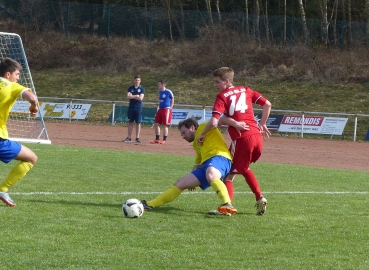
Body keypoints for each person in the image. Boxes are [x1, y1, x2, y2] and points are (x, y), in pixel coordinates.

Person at [197, 67, 272, 215]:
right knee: (243, 168)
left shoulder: (222, 96)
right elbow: (267, 104)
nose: (215, 85)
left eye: (217, 82)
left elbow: (213, 122)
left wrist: (203, 134)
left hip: (242, 139)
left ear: (226, 81)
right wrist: (262, 123)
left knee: (228, 174)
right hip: (257, 136)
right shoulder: (246, 89)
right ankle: (259, 198)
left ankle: (227, 208)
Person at [141, 118, 237, 215]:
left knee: (211, 173)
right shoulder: (196, 144)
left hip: (221, 158)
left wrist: (236, 124)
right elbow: (197, 163)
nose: (183, 136)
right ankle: (150, 204)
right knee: (180, 183)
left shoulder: (204, 127)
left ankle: (227, 204)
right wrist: (193, 177)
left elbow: (217, 121)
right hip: (207, 165)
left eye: (184, 132)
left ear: (192, 127)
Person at [0, 57, 39, 207]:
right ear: (8, 74)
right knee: (31, 158)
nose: (18, 78)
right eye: (17, 74)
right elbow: (32, 97)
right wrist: (33, 107)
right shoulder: (11, 86)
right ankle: (2, 189)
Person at [150, 80, 174, 145]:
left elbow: (172, 98)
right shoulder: (160, 92)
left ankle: (164, 140)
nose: (158, 86)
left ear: (163, 85)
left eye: (159, 84)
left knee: (165, 125)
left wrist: (171, 107)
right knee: (156, 123)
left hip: (166, 110)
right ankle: (157, 139)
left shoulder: (168, 91)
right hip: (160, 109)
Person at [123, 75, 145, 144]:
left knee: (138, 122)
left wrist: (132, 96)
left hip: (138, 107)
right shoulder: (130, 88)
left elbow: (140, 98)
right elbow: (128, 96)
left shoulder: (142, 89)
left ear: (140, 81)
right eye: (136, 80)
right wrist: (136, 96)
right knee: (130, 122)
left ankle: (137, 138)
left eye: (138, 80)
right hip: (131, 107)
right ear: (134, 80)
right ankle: (129, 137)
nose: (137, 81)